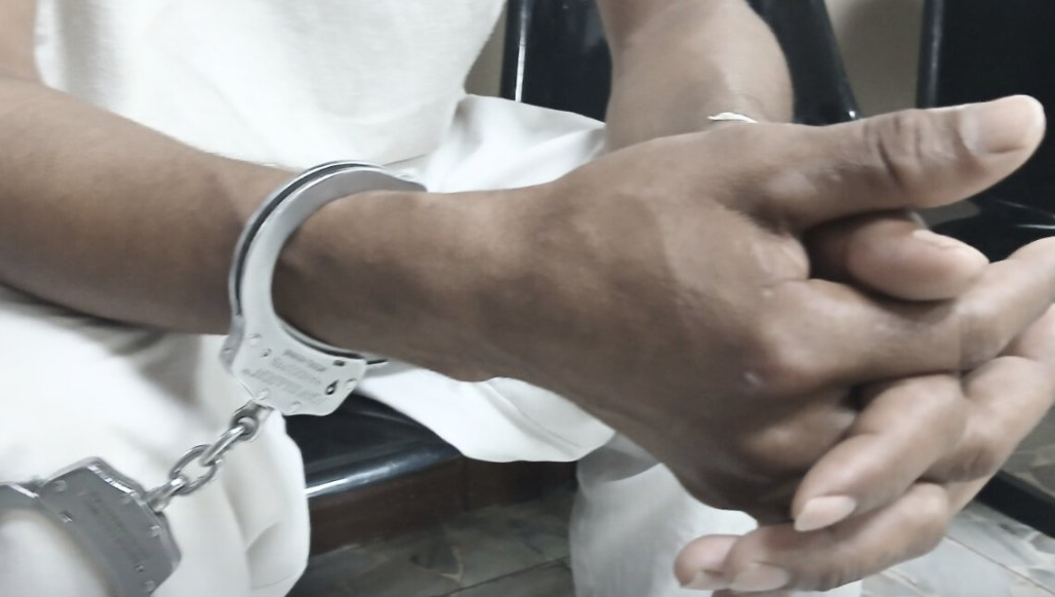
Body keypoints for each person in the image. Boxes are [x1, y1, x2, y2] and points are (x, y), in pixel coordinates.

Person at [0, 0, 1052, 596]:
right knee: (49, 531)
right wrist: (430, 275)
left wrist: (722, 166)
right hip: (63, 202)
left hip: (420, 161)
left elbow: (682, 15)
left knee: (796, 307)